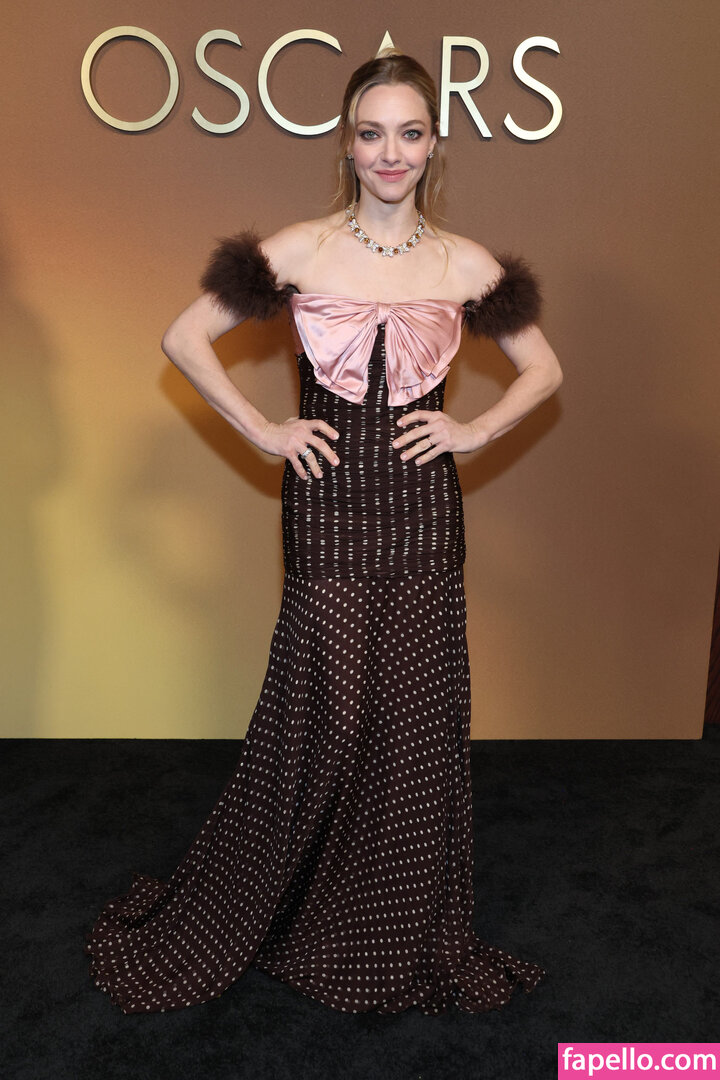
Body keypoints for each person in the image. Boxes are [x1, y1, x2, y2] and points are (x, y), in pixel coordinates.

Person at [83, 49, 563, 1016]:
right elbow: (184, 337)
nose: (391, 153)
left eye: (410, 133)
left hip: (424, 515)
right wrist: (264, 429)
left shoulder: (465, 263)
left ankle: (391, 920)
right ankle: (289, 896)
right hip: (329, 511)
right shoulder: (299, 250)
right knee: (324, 712)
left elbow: (545, 370)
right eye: (372, 133)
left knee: (415, 722)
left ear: (434, 145)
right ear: (347, 143)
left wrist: (473, 430)